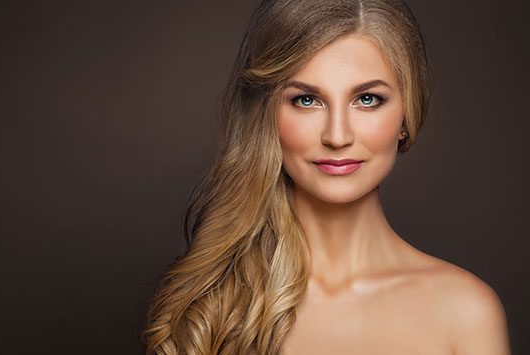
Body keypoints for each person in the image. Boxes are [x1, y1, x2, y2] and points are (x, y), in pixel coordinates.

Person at [141, 0, 511, 353]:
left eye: (367, 99)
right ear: (268, 116)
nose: (337, 136)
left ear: (405, 114)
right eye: (306, 100)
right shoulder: (213, 305)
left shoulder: (466, 313)